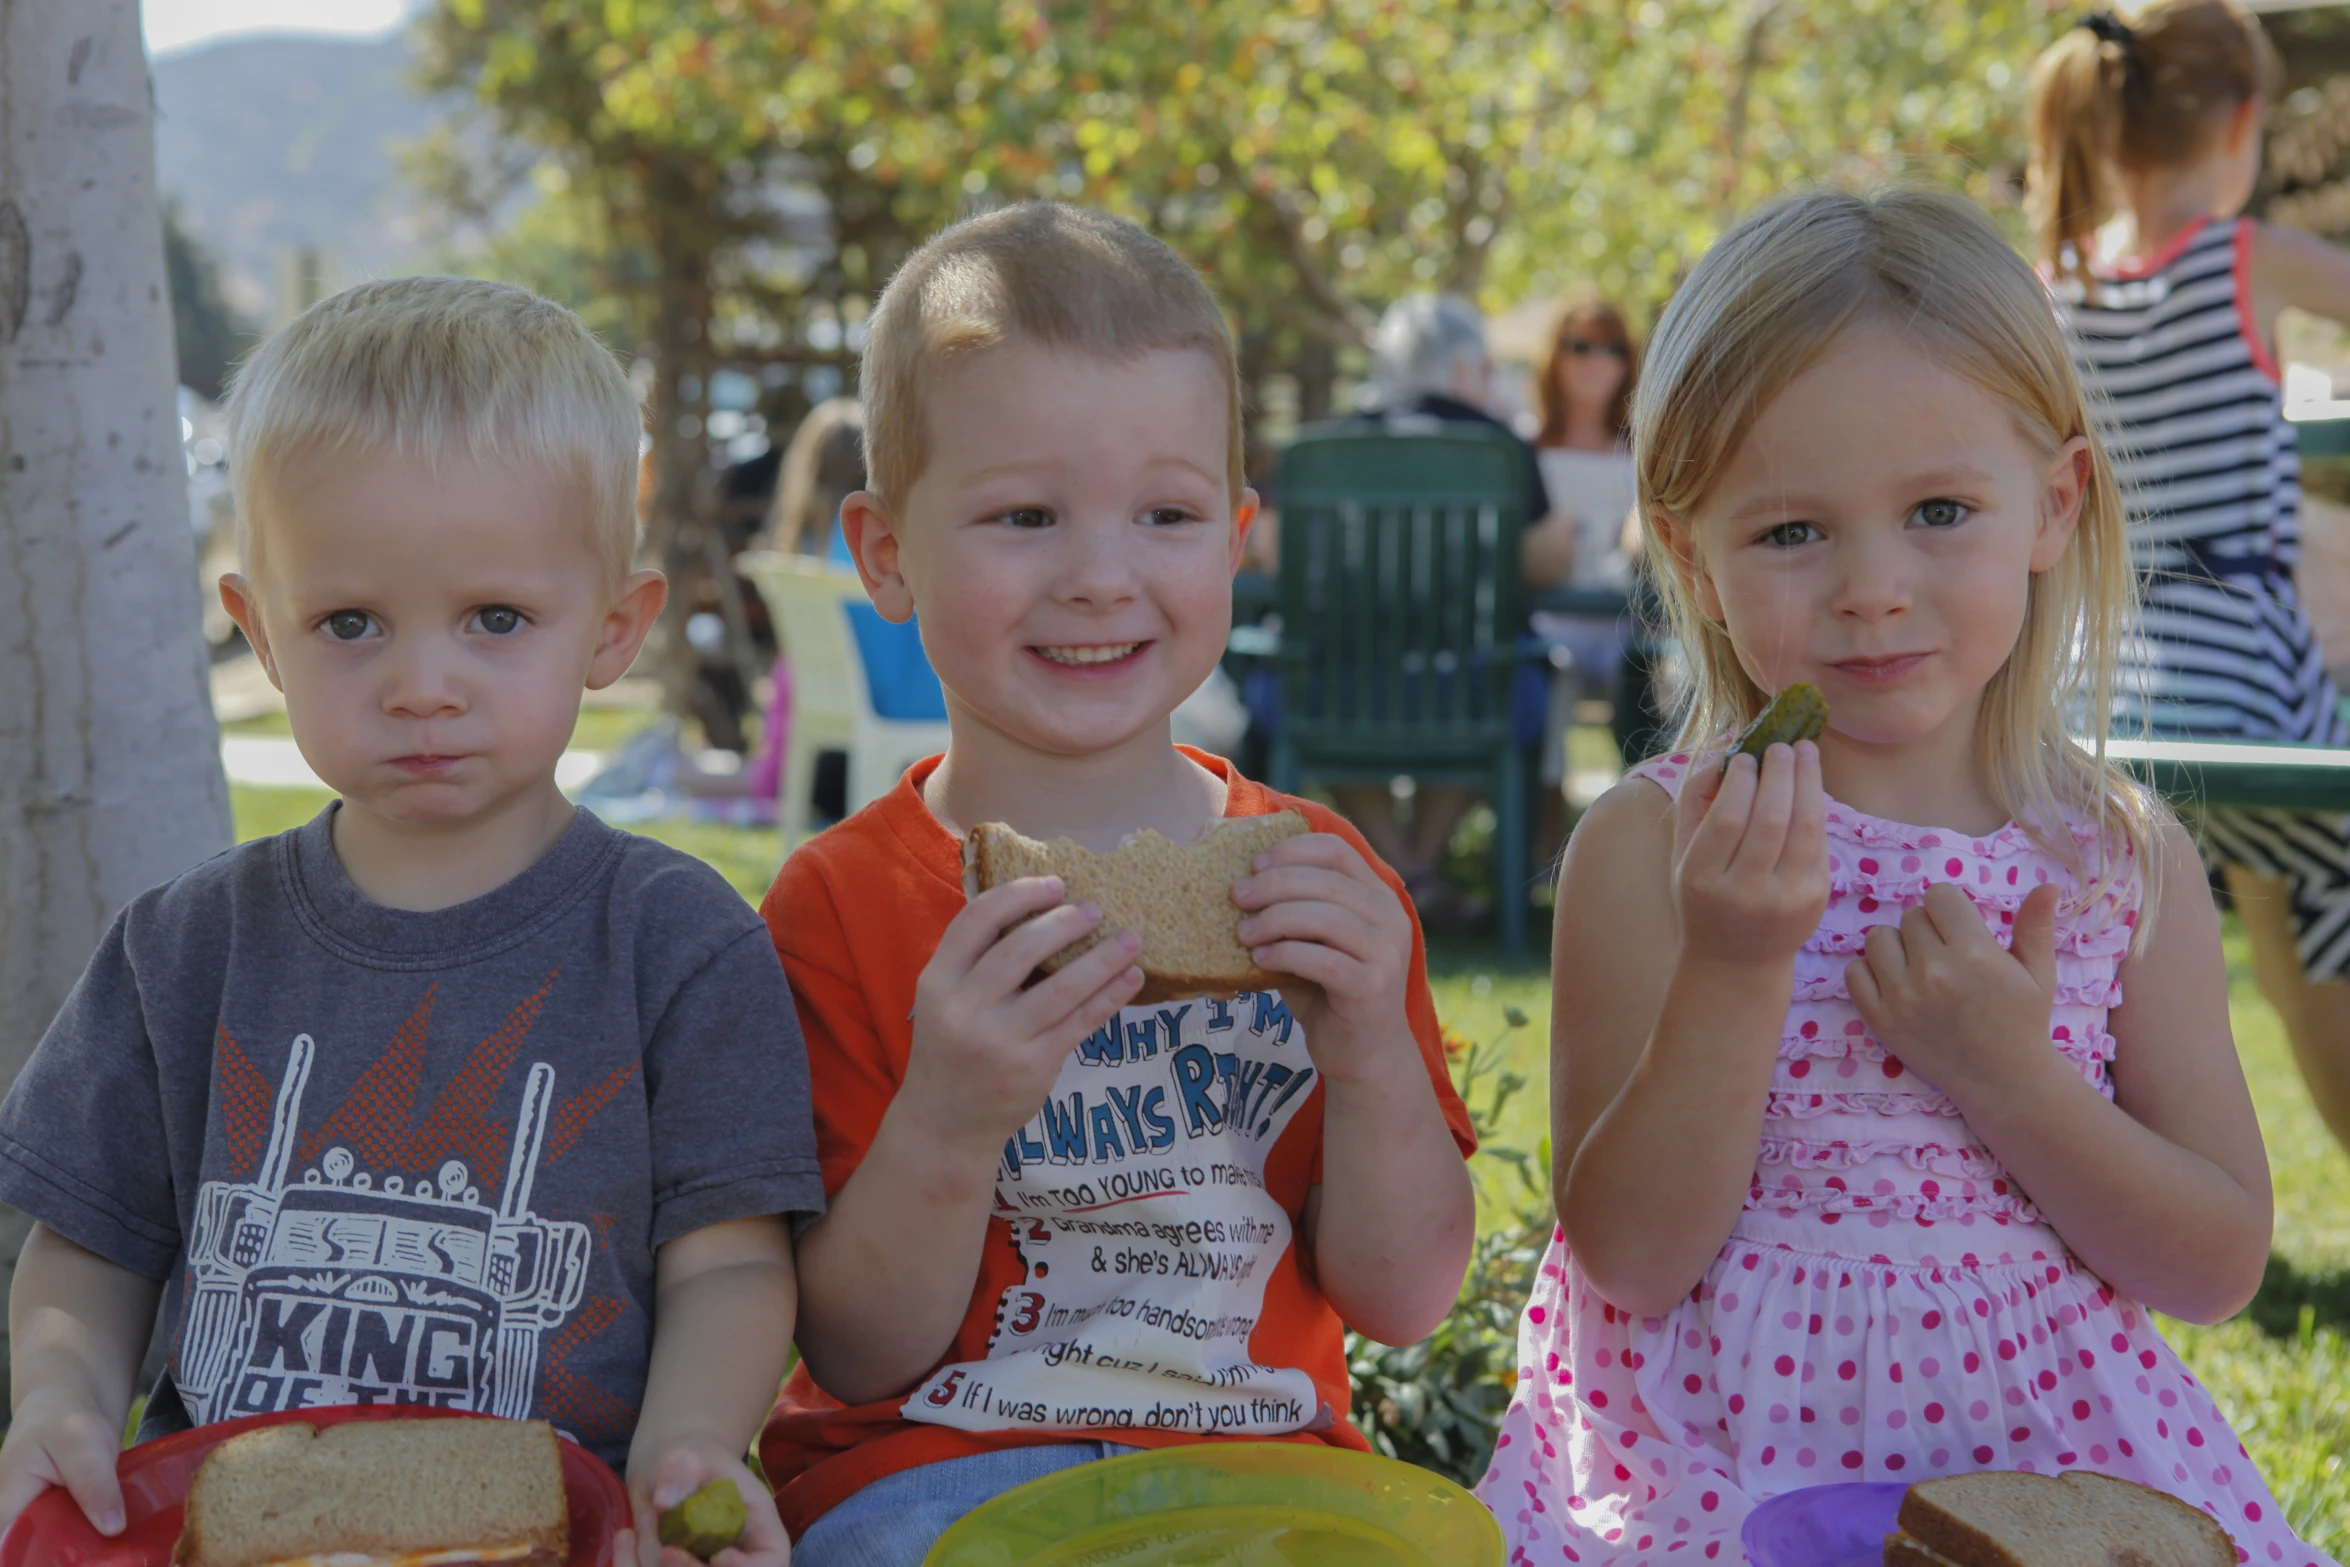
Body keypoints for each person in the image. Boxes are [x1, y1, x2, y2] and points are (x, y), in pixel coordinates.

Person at [1479, 187, 2330, 1565]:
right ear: (1690, 553)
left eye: (1938, 508)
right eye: (1791, 531)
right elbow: (1631, 1254)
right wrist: (1735, 964)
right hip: (1721, 1465)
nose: (1871, 586)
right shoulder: (1653, 844)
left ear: (2053, 505)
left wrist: (2008, 1073)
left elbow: (2214, 1260)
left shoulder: (2120, 863)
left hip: (2044, 1457)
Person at [0, 278, 823, 1567]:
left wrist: (691, 1449)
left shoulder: (678, 941)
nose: (420, 686)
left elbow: (727, 1265)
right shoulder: (183, 949)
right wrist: (58, 1398)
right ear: (261, 635)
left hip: (560, 1536)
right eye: (349, 623)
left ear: (613, 629)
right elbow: (87, 1246)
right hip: (223, 1532)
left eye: (496, 619)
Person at [757, 202, 1478, 1566]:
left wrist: (1372, 1046)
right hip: (940, 1477)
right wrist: (951, 1115)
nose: (1099, 576)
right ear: (885, 551)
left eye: (1164, 512)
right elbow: (855, 1350)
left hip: (1262, 1475)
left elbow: (1400, 1294)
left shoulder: (1320, 876)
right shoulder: (837, 905)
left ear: (1235, 535)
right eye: (1024, 514)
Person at [2029, 2, 2350, 1159]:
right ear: (2243, 125)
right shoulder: (2246, 259)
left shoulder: (2055, 287)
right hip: (2241, 668)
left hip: (2088, 676)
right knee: (2319, 871)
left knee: (2257, 862)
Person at [1327, 294, 1569, 922]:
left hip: (1338, 693)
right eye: (1486, 369)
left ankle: (1402, 871)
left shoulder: (1331, 446)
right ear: (1464, 370)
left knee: (1294, 689)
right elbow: (1548, 560)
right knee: (1497, 678)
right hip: (1472, 690)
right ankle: (1417, 875)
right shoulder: (1496, 448)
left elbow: (1267, 547)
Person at [1529, 294, 1644, 853]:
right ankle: (1543, 860)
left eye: (1612, 347)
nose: (1596, 360)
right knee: (1548, 690)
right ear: (1556, 358)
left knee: (1659, 691)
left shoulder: (1644, 456)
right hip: (1549, 625)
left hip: (1630, 626)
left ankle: (1640, 850)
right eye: (1580, 346)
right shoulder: (1526, 452)